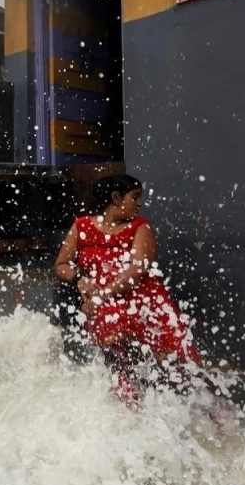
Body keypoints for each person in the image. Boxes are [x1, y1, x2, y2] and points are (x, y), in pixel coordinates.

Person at [54, 174, 203, 406]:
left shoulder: (139, 227)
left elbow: (138, 269)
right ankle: (129, 417)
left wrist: (102, 295)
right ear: (116, 198)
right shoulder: (81, 226)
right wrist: (80, 280)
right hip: (106, 308)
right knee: (118, 365)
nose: (140, 203)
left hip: (144, 303)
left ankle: (199, 416)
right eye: (135, 197)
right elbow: (61, 265)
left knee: (176, 370)